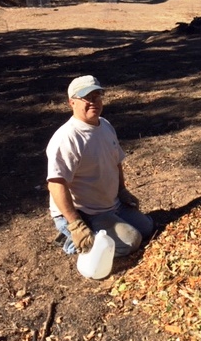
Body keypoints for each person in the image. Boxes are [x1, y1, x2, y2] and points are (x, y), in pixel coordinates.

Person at [46, 75, 154, 256]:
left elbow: (116, 161)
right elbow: (56, 184)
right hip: (85, 212)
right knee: (131, 242)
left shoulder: (105, 125)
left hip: (111, 203)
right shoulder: (67, 138)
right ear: (71, 103)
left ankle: (107, 226)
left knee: (147, 228)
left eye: (97, 95)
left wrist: (122, 191)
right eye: (87, 98)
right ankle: (70, 240)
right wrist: (75, 223)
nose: (94, 102)